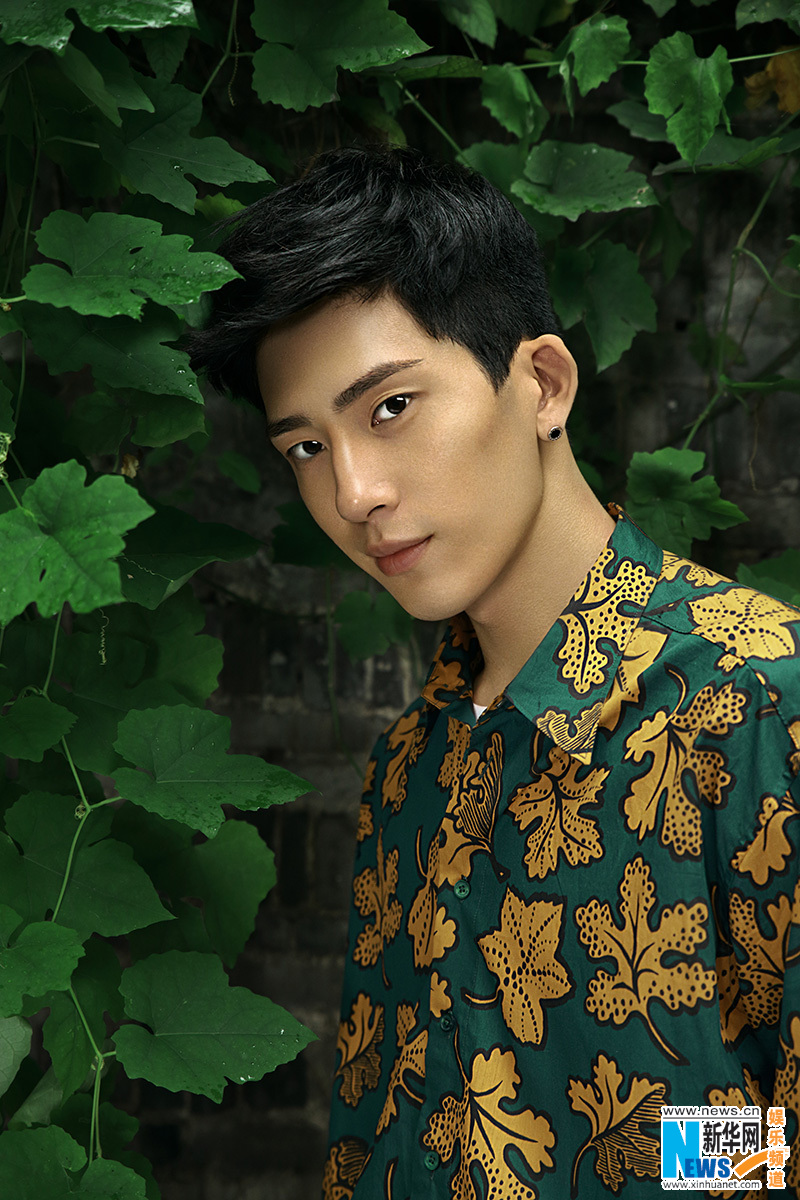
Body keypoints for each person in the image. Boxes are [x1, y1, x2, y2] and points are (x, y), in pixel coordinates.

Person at [190, 146, 800, 1199]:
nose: (353, 492)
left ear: (543, 384)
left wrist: (665, 1162)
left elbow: (770, 1141)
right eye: (305, 449)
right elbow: (372, 1140)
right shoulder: (409, 765)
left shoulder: (752, 699)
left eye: (389, 407)